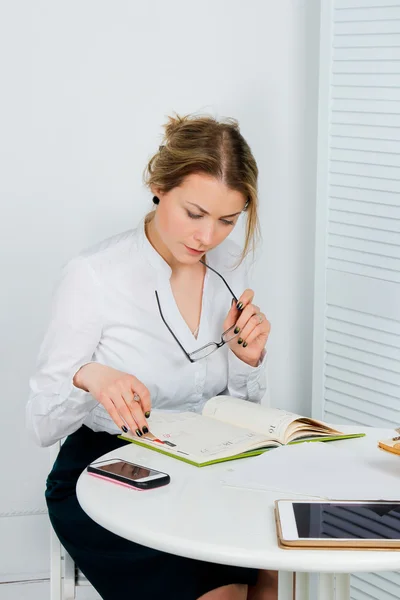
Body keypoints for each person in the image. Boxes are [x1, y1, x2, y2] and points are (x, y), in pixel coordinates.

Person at [27, 114, 277, 600]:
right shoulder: (94, 274)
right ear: (159, 186)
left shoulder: (229, 269)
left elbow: (239, 409)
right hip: (109, 468)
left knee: (273, 573)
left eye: (228, 220)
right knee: (223, 592)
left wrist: (250, 362)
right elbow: (39, 425)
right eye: (194, 213)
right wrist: (90, 377)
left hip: (206, 464)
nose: (207, 237)